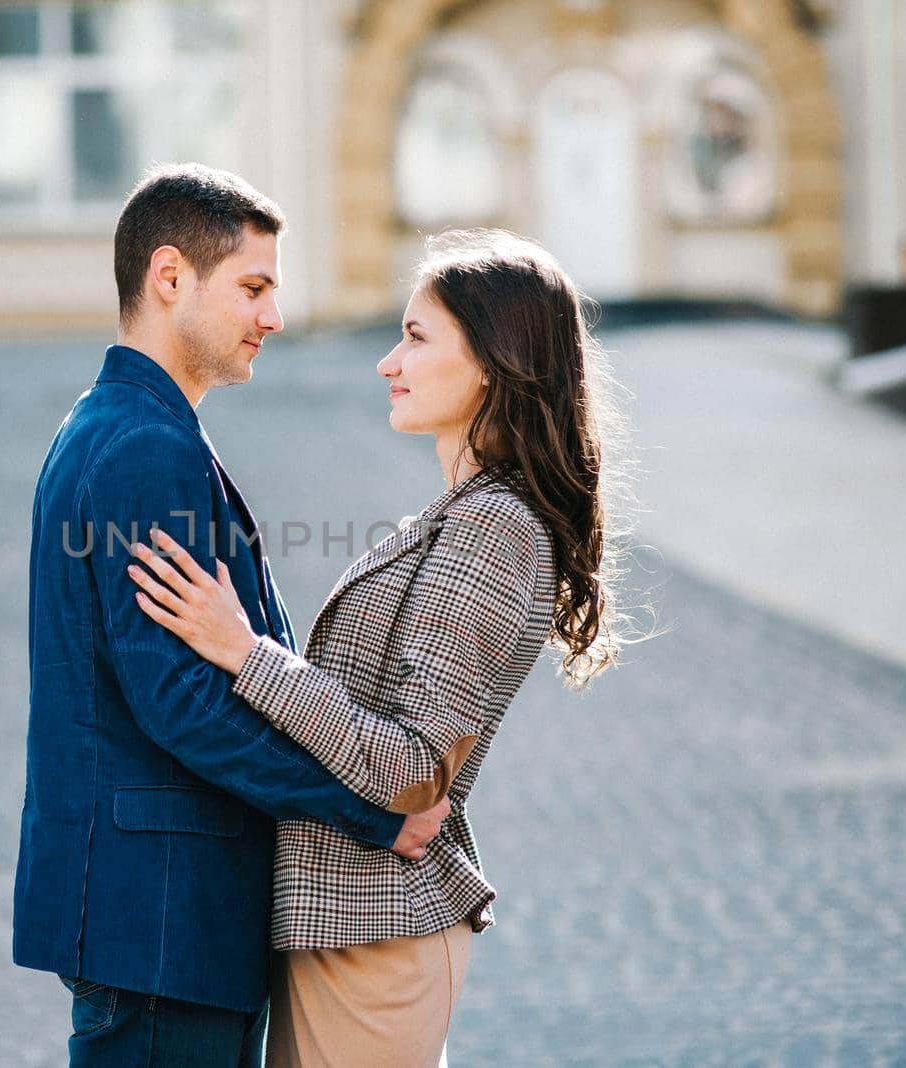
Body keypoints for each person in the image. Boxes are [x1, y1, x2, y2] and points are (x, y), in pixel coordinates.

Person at [128, 228, 632, 1066]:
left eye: (417, 337)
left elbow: (413, 770)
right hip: (350, 927)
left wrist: (243, 651)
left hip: (378, 930)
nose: (387, 361)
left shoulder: (493, 530)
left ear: (493, 363)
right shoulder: (463, 515)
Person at [11, 163, 450, 1067]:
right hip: (164, 917)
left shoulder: (112, 426)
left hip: (157, 919)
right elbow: (180, 703)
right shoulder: (143, 449)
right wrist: (370, 809)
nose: (273, 317)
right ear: (169, 277)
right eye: (253, 287)